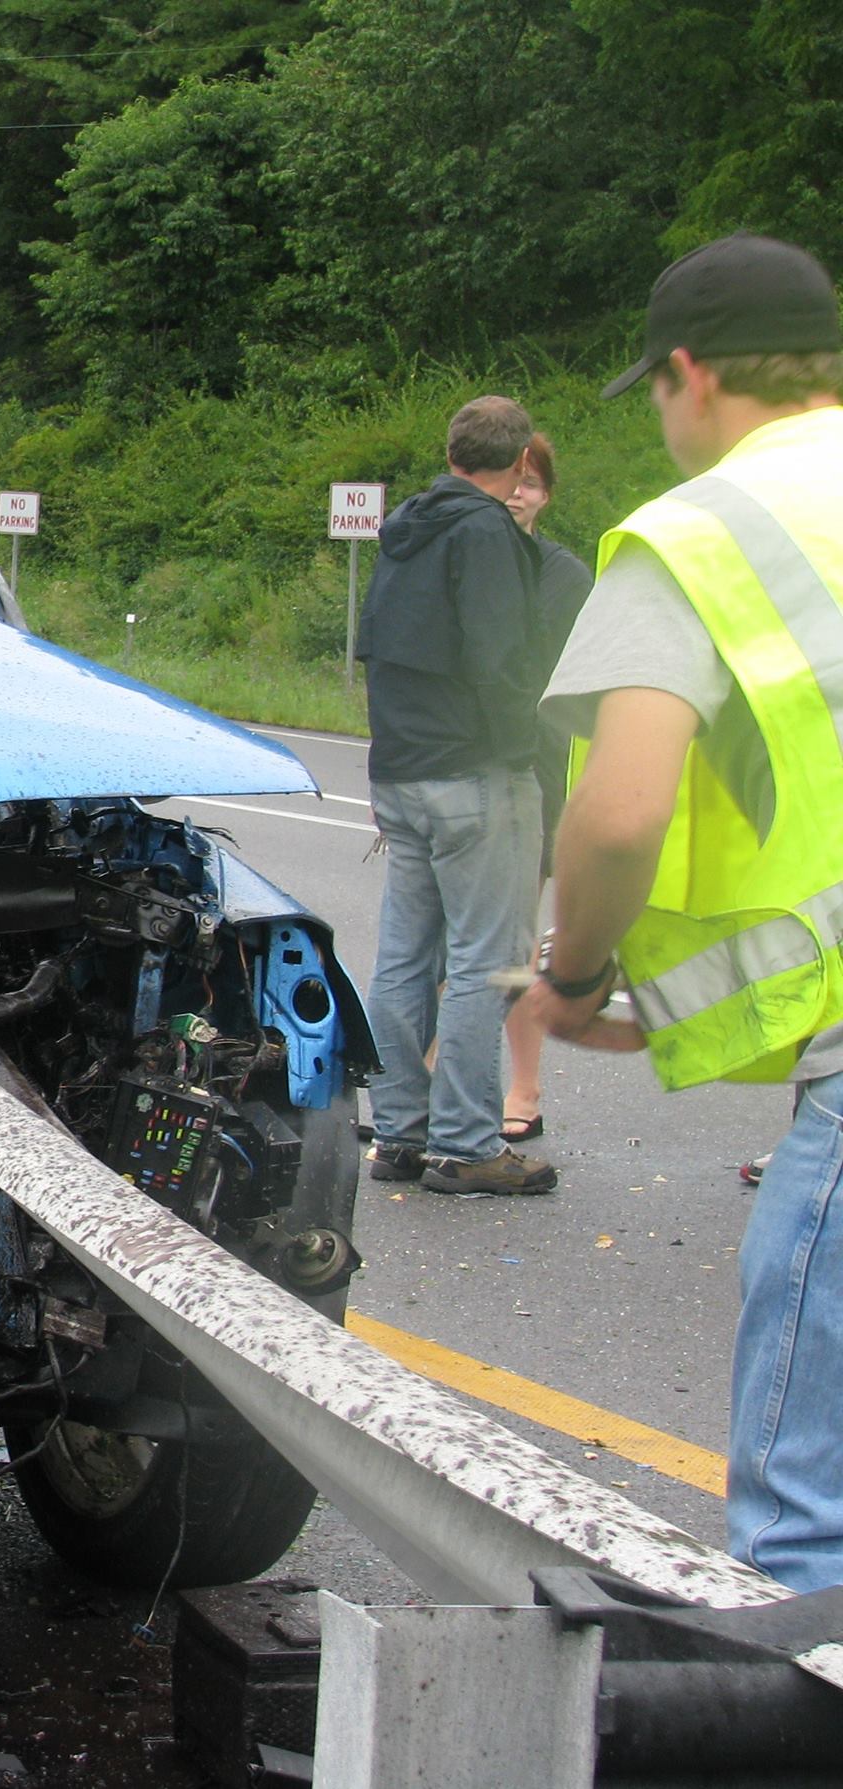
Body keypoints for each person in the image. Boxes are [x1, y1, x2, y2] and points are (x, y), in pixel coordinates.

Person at [520, 232, 843, 1591]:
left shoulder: (703, 534)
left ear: (692, 375)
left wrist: (577, 977)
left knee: (804, 1515)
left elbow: (620, 809)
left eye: (655, 393)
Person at [357, 395, 556, 1196]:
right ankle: (468, 1141)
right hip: (476, 770)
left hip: (401, 769)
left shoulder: (406, 531)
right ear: (515, 466)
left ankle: (400, 1128)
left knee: (405, 955)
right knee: (487, 957)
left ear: (451, 452)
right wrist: (527, 751)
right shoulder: (486, 533)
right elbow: (501, 659)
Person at [499, 433, 595, 1141]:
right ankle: (428, 1079)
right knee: (454, 938)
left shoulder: (563, 575)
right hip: (468, 770)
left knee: (512, 940)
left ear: (547, 494)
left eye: (530, 482)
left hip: (535, 772)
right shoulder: (465, 561)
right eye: (509, 477)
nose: (516, 491)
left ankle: (523, 1092)